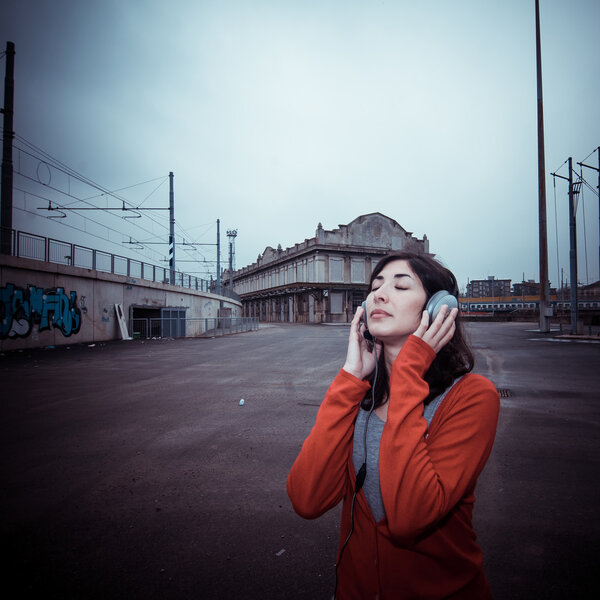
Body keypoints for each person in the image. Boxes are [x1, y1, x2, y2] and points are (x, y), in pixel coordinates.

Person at [287, 252, 500, 599]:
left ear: (438, 308)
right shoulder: (359, 395)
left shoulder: (472, 398)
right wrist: (350, 377)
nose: (379, 295)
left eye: (401, 286)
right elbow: (307, 499)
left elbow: (409, 519)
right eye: (375, 287)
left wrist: (409, 370)